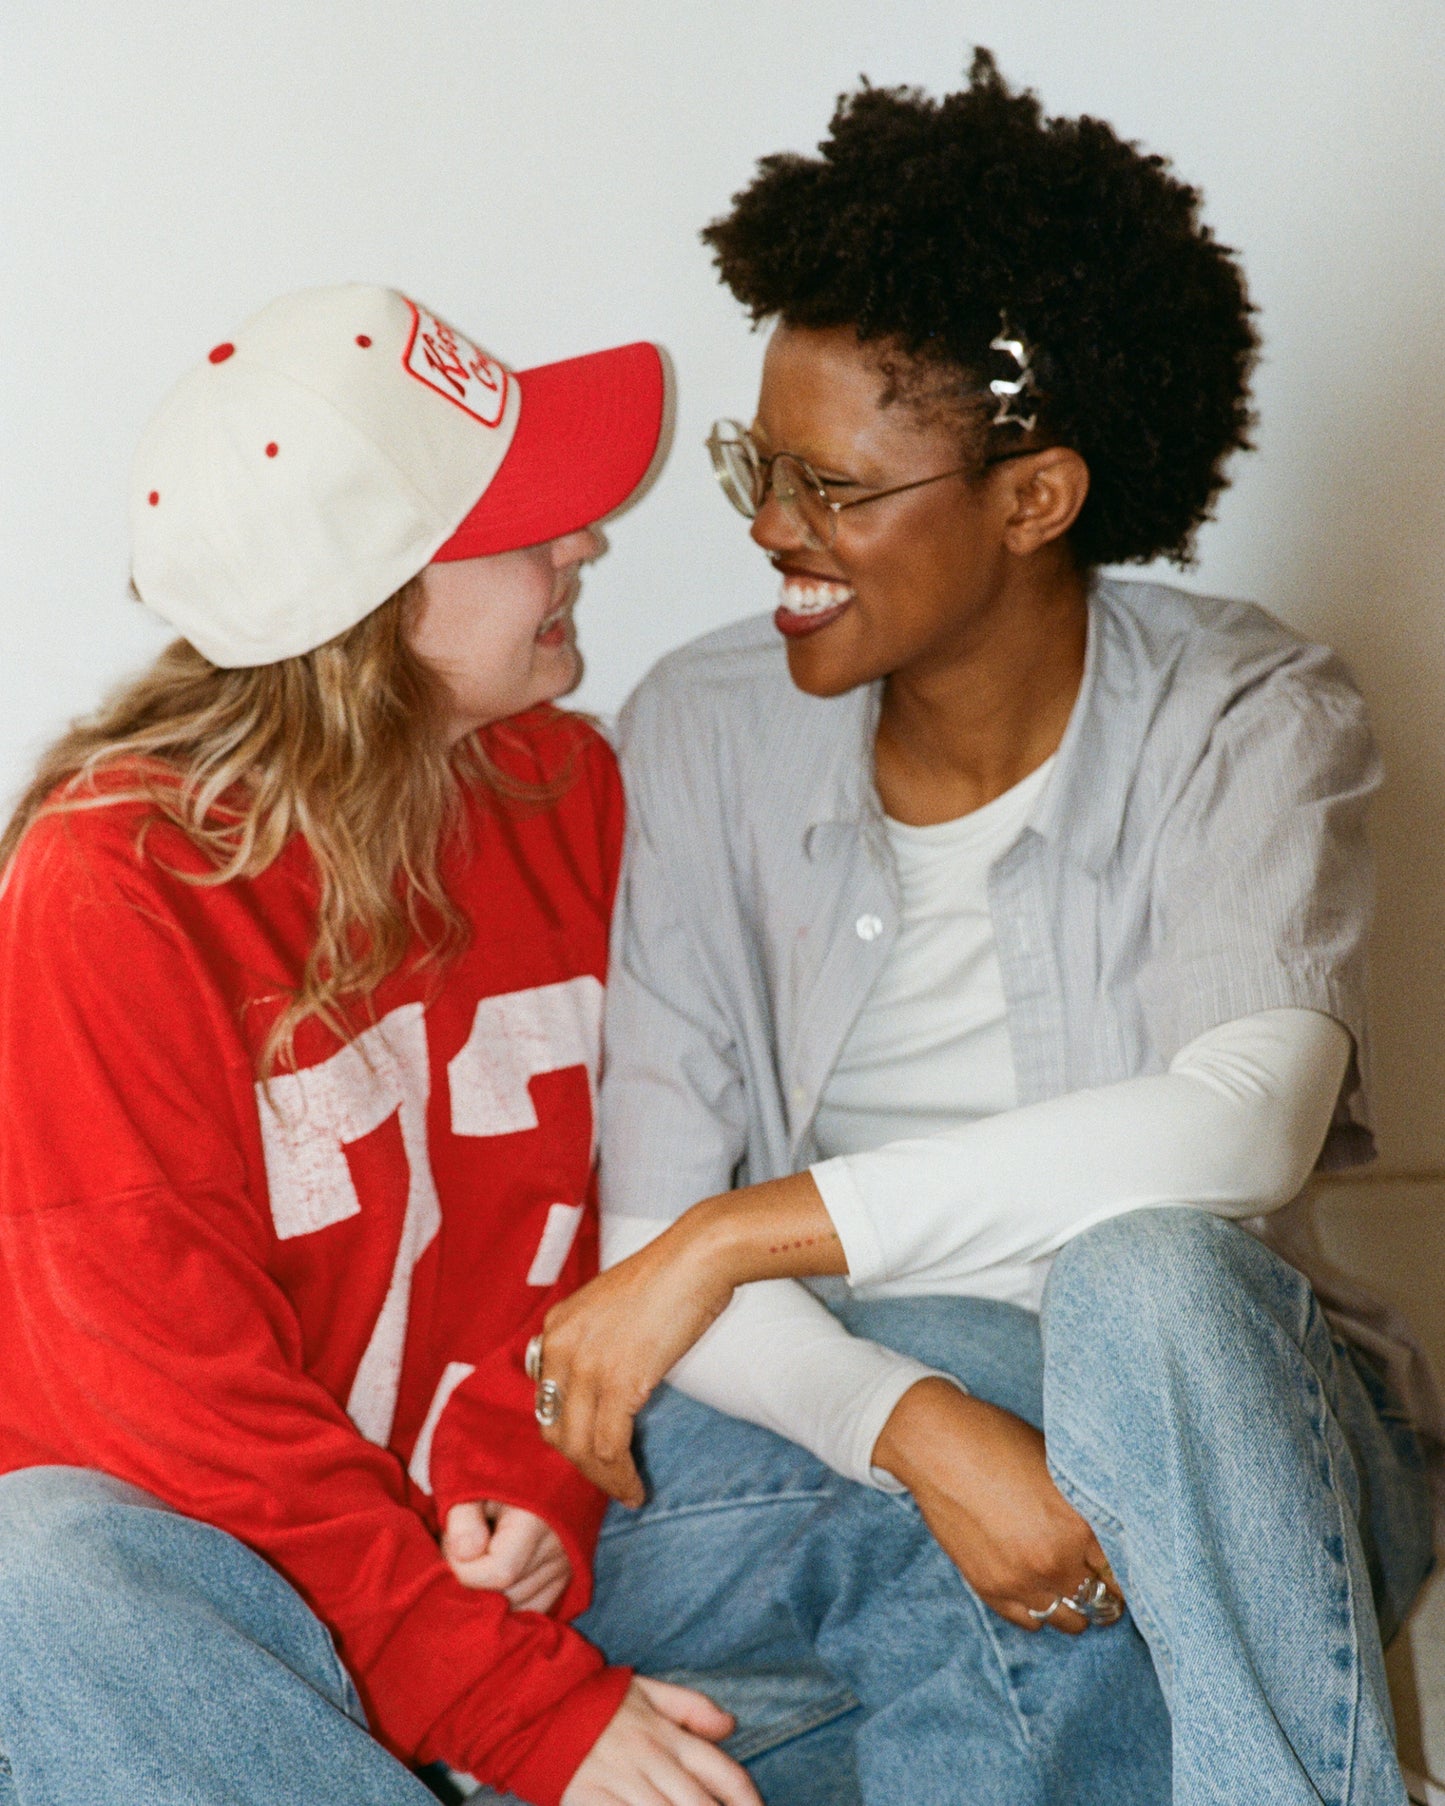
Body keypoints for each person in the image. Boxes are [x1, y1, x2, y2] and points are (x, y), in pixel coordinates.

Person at [531, 54, 1442, 1806]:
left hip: (1224, 1436)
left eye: (832, 488)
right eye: (756, 462)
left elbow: (1237, 1122)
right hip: (834, 1398)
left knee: (1145, 1274)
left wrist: (747, 1229)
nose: (766, 529)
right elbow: (649, 1277)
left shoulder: (1247, 714)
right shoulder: (700, 725)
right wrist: (920, 1430)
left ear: (1033, 500)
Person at [0, 283, 766, 1806]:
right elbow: (164, 1410)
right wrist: (511, 1700)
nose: (584, 545)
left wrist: (536, 1463)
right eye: (527, 521)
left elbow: (626, 1208)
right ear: (372, 607)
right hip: (215, 1569)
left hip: (482, 1546)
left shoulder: (571, 791)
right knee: (37, 1573)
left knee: (969, 1384)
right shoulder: (113, 890)